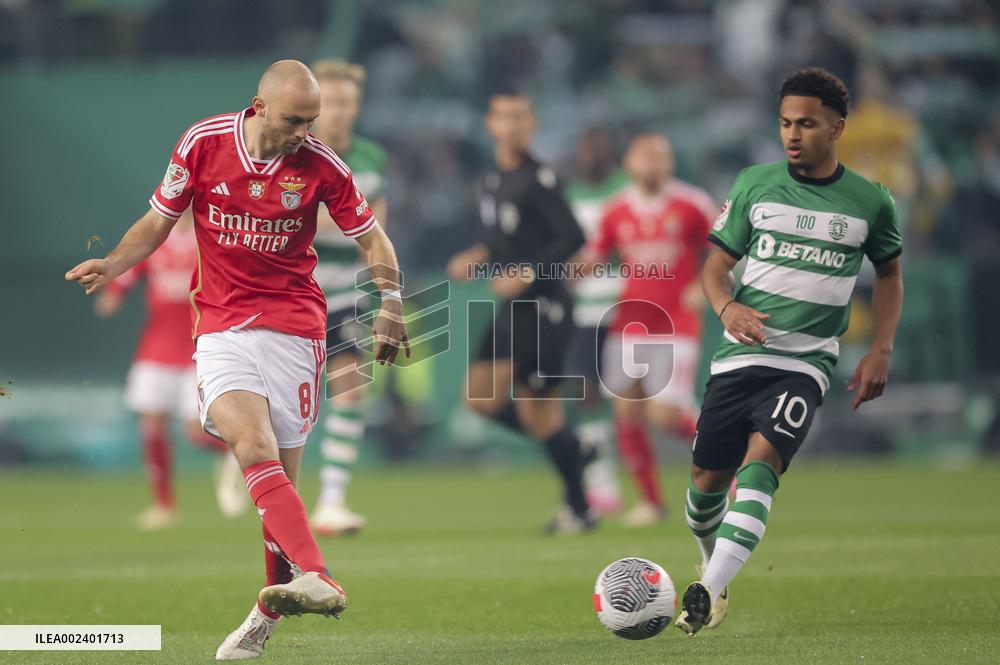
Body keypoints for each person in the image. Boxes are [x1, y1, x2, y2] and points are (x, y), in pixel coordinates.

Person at [66, 60, 410, 660]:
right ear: (258, 105)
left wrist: (395, 302)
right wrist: (115, 264)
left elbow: (372, 237)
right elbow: (158, 222)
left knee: (280, 502)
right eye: (293, 120)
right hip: (222, 326)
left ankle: (264, 613)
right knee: (252, 445)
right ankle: (320, 574)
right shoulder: (203, 143)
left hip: (296, 330)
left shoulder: (323, 166)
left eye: (311, 121)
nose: (304, 132)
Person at [675, 67, 903, 634]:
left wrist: (881, 348)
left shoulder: (871, 202)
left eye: (806, 123)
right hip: (739, 357)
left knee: (761, 467)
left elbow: (891, 274)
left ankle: (705, 590)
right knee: (705, 482)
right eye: (784, 123)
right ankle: (715, 569)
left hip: (804, 364)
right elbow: (714, 269)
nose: (792, 134)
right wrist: (726, 308)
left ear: (837, 127)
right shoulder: (755, 183)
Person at [447, 89, 593, 534]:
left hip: (546, 306)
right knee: (480, 400)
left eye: (520, 116)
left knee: (537, 415)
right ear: (490, 124)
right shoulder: (492, 180)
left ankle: (580, 507)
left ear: (532, 125)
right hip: (518, 307)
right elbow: (502, 238)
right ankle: (572, 448)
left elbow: (572, 236)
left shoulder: (540, 177)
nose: (511, 124)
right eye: (503, 116)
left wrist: (528, 271)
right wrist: (477, 253)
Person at [582, 133, 712, 527]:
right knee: (626, 411)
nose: (654, 163)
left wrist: (701, 283)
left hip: (676, 324)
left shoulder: (693, 204)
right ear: (629, 164)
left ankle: (730, 459)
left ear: (671, 163)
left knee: (664, 415)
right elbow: (596, 254)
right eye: (646, 157)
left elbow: (725, 251)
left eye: (661, 156)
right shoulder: (616, 209)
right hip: (630, 323)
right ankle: (651, 502)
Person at [96, 209, 245, 530]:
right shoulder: (156, 240)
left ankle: (236, 453)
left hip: (198, 348)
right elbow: (128, 271)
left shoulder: (208, 239)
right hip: (156, 348)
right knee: (151, 423)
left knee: (196, 430)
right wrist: (113, 293)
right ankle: (163, 505)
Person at [308, 59, 389, 536]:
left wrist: (386, 284)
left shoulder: (373, 159)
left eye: (349, 102)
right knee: (276, 402)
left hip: (342, 292)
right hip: (289, 288)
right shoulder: (294, 153)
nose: (341, 112)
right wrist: (353, 227)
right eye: (333, 102)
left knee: (351, 386)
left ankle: (333, 500)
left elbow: (379, 228)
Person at [564, 127, 629, 516]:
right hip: (585, 308)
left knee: (638, 398)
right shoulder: (570, 194)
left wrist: (601, 256)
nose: (590, 155)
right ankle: (602, 484)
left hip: (627, 303)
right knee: (586, 393)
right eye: (585, 148)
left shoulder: (626, 190)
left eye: (597, 148)